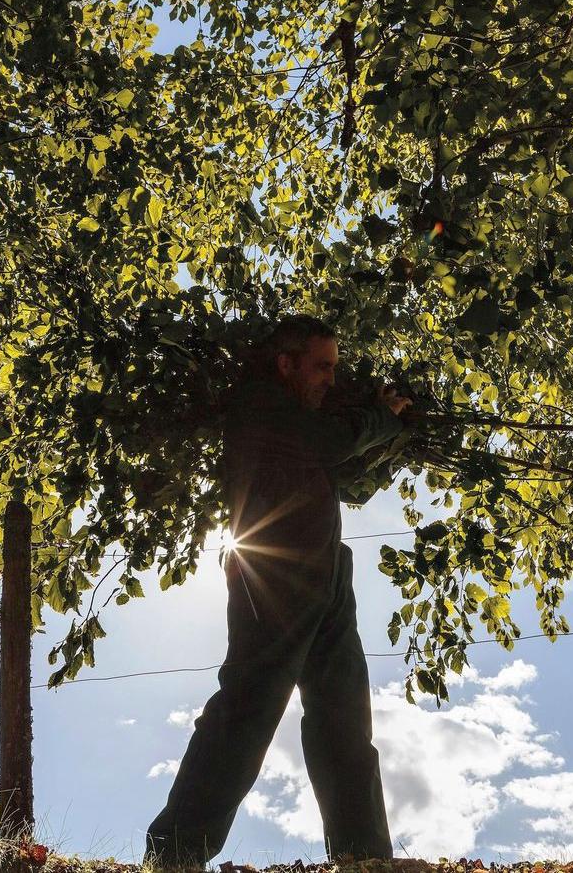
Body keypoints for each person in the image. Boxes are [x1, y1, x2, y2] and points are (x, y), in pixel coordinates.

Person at [145, 315, 411, 868]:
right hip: (273, 575)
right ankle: (176, 850)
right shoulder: (261, 403)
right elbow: (332, 443)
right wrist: (382, 419)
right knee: (248, 709)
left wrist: (391, 433)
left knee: (344, 720)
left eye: (335, 369)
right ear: (286, 363)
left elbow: (351, 478)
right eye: (322, 367)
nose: (330, 381)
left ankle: (363, 855)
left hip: (327, 572)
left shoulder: (301, 416)